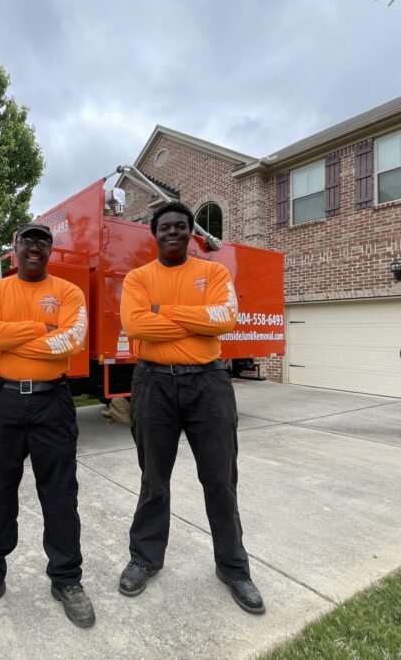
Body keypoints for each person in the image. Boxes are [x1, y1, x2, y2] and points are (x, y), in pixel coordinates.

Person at [117, 202, 265, 615]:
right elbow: (136, 325)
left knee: (220, 479)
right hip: (153, 383)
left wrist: (163, 312)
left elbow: (224, 319)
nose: (173, 233)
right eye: (165, 227)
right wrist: (195, 321)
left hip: (209, 383)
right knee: (153, 479)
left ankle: (234, 568)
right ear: (154, 234)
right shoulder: (138, 278)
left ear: (191, 233)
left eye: (181, 226)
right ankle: (144, 559)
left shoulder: (213, 272)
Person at [0, 223, 95, 629]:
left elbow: (73, 341)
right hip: (3, 402)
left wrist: (9, 337)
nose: (35, 247)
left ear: (50, 250)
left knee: (60, 493)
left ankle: (67, 580)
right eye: (27, 241)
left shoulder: (68, 292)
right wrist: (41, 329)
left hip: (54, 403)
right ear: (15, 249)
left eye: (43, 241)